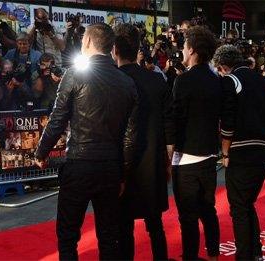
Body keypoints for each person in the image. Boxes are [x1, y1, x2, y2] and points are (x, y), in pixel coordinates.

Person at [34, 23, 138, 260]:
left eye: (82, 41)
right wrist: (123, 174)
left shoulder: (74, 75)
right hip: (111, 168)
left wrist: (41, 153)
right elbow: (131, 137)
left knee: (68, 235)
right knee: (109, 236)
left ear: (89, 42)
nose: (81, 45)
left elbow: (57, 119)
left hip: (79, 165)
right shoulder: (127, 83)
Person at [112, 23, 173, 260]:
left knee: (123, 227)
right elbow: (169, 125)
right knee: (155, 225)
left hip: (121, 166)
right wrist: (167, 162)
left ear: (114, 49)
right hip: (152, 163)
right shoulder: (156, 81)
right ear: (138, 48)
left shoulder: (111, 82)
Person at [213, 45, 265, 260]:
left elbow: (228, 120)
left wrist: (225, 152)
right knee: (246, 203)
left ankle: (245, 256)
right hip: (264, 152)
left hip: (241, 151)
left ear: (223, 66)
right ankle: (255, 253)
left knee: (239, 207)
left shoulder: (231, 81)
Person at [168, 26, 220, 261]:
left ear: (192, 50)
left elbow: (175, 119)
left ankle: (190, 256)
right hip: (209, 156)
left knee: (188, 216)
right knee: (208, 210)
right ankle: (214, 254)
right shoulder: (216, 79)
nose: (182, 50)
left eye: (184, 46)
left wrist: (168, 155)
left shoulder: (184, 80)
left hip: (186, 158)